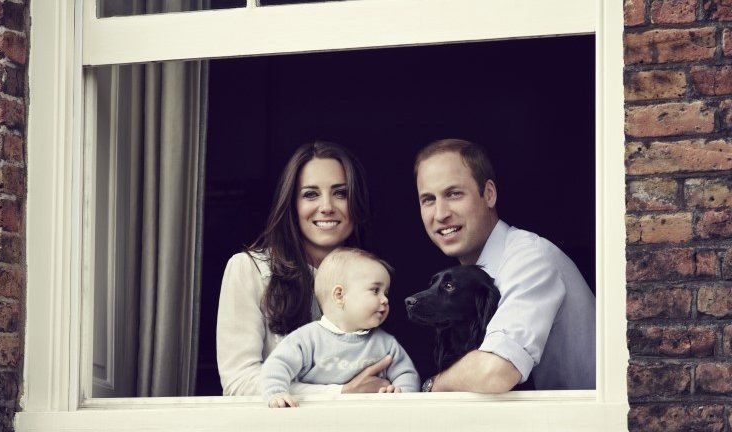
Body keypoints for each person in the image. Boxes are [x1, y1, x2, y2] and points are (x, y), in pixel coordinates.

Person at [414, 138, 595, 393]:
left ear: (489, 194)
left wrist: (433, 386)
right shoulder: (471, 279)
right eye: (428, 200)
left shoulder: (530, 259)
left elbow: (495, 372)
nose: (441, 213)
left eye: (454, 194)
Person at [216, 141, 394, 396]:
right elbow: (239, 382)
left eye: (341, 193)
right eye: (311, 194)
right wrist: (340, 392)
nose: (327, 206)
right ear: (291, 204)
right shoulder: (248, 269)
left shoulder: (372, 275)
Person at [260, 248, 420, 407]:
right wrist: (276, 393)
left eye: (385, 292)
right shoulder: (307, 339)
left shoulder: (386, 344)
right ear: (339, 295)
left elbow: (406, 374)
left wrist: (400, 395)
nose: (384, 299)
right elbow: (277, 366)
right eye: (375, 290)